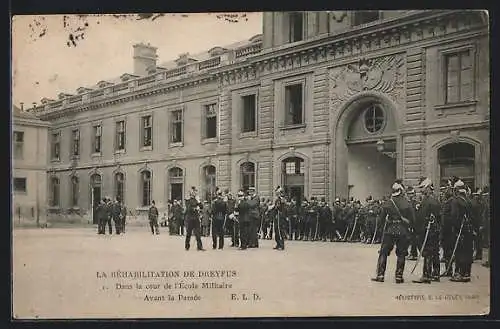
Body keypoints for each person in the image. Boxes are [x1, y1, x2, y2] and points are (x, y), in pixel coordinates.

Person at [372, 181, 415, 284]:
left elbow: (381, 219)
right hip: (402, 230)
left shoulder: (388, 203)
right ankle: (399, 276)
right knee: (401, 254)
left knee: (383, 252)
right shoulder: (407, 203)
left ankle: (380, 275)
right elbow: (413, 219)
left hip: (390, 229)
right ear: (401, 191)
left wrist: (381, 228)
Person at [413, 178, 441, 283]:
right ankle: (436, 274)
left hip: (428, 230)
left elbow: (423, 216)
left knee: (427, 252)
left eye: (423, 188)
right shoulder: (434, 200)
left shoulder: (428, 201)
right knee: (435, 252)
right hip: (434, 230)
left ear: (428, 187)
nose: (421, 190)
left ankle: (426, 275)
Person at [449, 180, 474, 282]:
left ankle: (459, 273)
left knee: (459, 252)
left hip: (459, 230)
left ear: (456, 190)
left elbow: (454, 216)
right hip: (468, 230)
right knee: (468, 251)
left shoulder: (455, 201)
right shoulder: (468, 200)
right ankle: (467, 273)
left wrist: (454, 228)